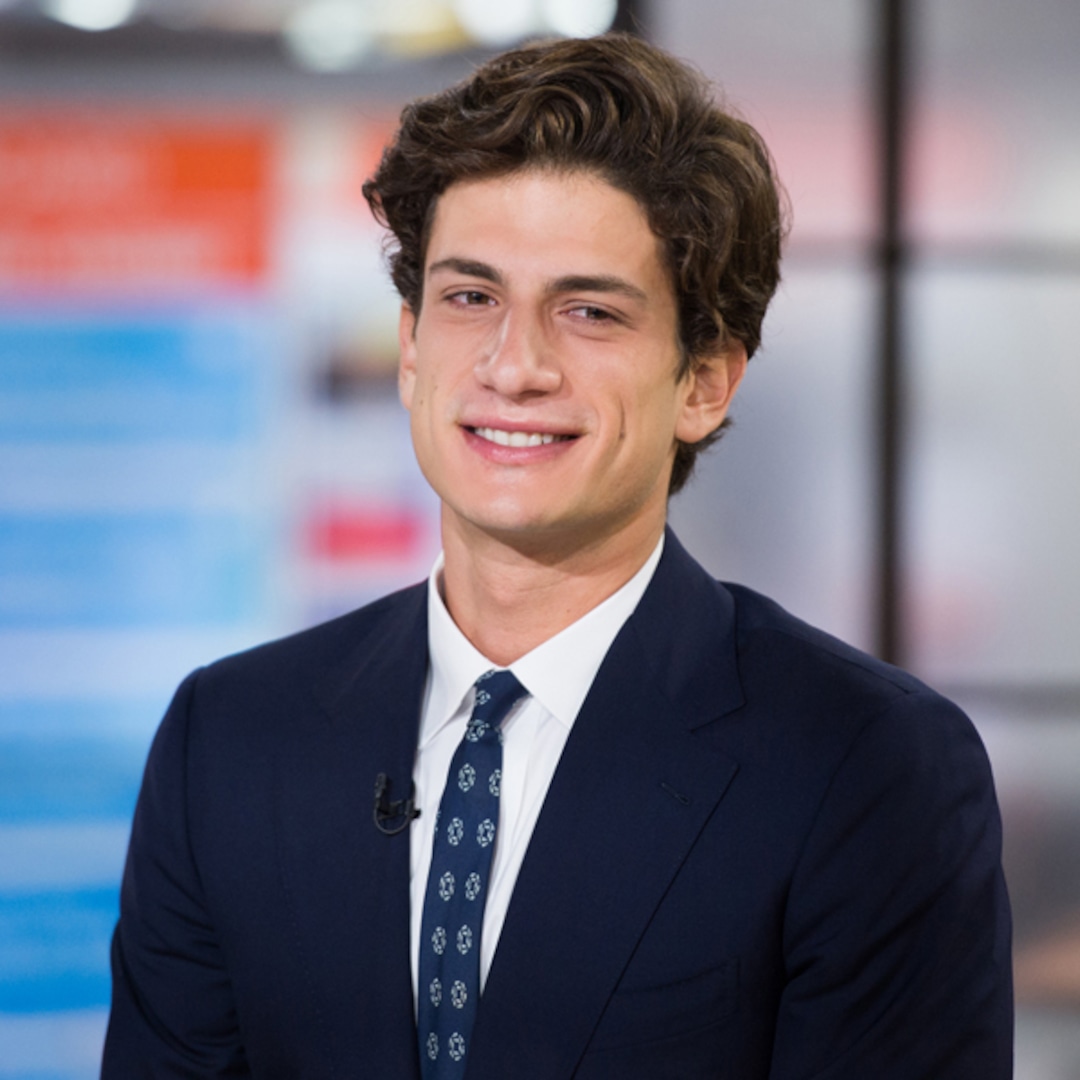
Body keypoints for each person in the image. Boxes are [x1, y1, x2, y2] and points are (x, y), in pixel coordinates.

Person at [103, 33, 1012, 1079]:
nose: (515, 365)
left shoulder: (869, 767)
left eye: (588, 311)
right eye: (470, 298)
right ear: (410, 347)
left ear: (705, 382)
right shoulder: (227, 742)